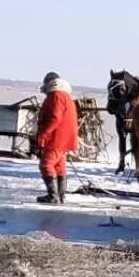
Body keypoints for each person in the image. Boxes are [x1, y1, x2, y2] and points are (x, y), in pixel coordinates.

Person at [33, 72, 79, 204]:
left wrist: (44, 134)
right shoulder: (65, 96)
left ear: (49, 83)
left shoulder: (56, 96)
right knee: (59, 166)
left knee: (46, 165)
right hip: (65, 138)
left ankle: (53, 196)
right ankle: (60, 196)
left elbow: (55, 118)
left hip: (56, 138)